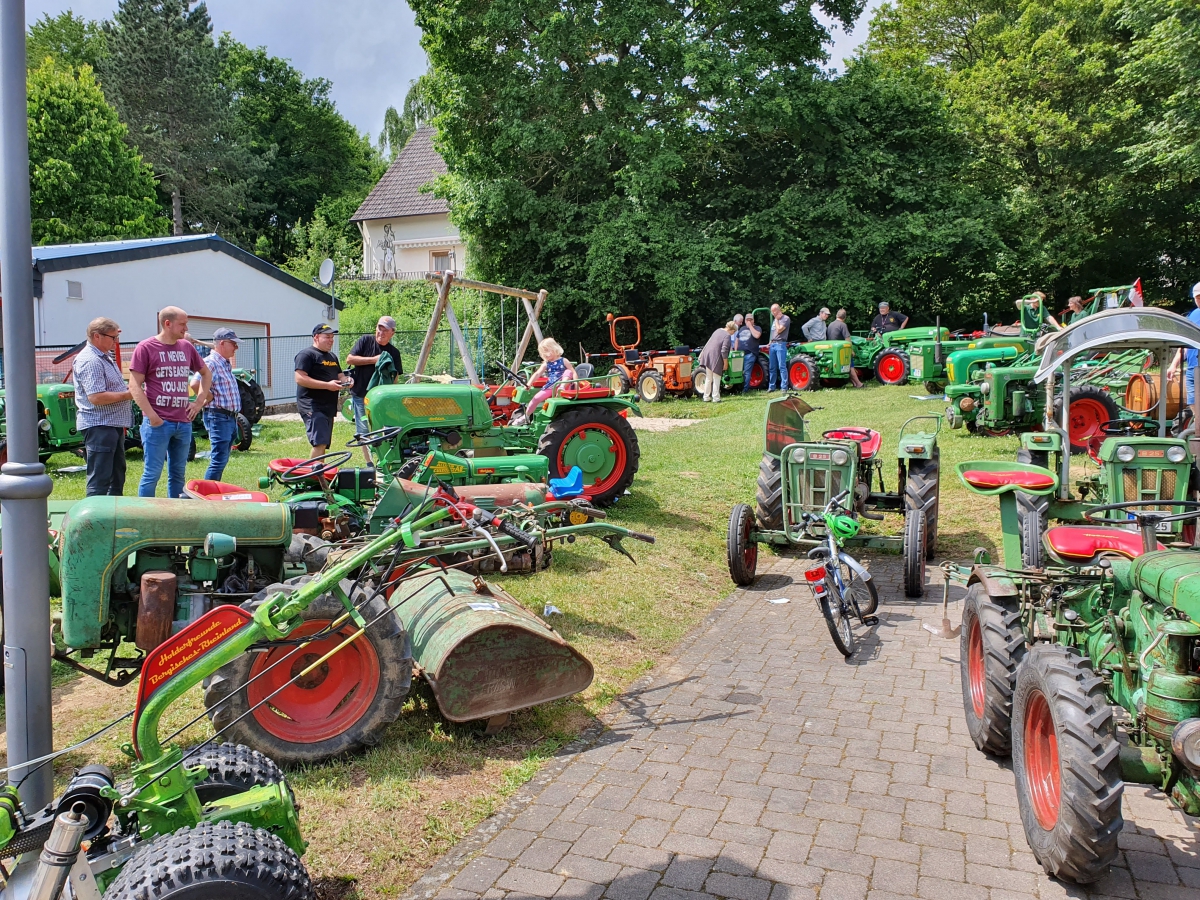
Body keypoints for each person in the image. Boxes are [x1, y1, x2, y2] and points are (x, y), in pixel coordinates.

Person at [129, 306, 212, 498]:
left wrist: (198, 402)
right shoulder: (146, 347)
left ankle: (174, 516)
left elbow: (206, 373)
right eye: (182, 324)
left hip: (183, 423)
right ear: (167, 323)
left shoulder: (186, 347)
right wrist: (152, 416)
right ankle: (146, 516)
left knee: (178, 475)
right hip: (158, 424)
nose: (186, 328)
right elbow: (134, 386)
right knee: (152, 474)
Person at [73, 317, 133, 496]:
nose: (115, 342)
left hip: (110, 424)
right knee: (100, 477)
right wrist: (129, 394)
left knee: (116, 475)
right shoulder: (91, 360)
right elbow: (96, 397)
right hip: (100, 425)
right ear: (96, 336)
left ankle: (112, 515)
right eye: (112, 337)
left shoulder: (103, 356)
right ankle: (95, 520)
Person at [346, 316, 403, 463]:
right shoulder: (365, 341)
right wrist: (373, 360)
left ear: (392, 333)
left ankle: (383, 461)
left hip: (382, 401)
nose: (381, 333)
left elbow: (395, 377)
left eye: (385, 330)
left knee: (383, 430)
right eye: (379, 328)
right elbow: (350, 359)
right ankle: (369, 464)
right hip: (361, 396)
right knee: (363, 431)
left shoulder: (394, 352)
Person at [294, 323, 351, 457]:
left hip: (328, 407)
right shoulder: (306, 355)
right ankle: (315, 476)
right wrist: (327, 385)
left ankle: (318, 474)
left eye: (332, 337)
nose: (331, 340)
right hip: (312, 406)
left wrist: (347, 381)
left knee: (323, 444)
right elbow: (300, 378)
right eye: (327, 337)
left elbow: (340, 375)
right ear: (316, 337)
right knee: (319, 443)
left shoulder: (332, 356)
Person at [201, 328, 243, 482]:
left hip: (228, 417)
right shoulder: (210, 363)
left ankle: (212, 491)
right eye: (233, 344)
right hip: (218, 416)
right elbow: (194, 383)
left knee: (222, 459)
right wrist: (209, 396)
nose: (236, 347)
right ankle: (207, 494)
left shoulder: (224, 363)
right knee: (218, 460)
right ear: (222, 343)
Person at [1166, 282, 1200, 420]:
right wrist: (1173, 365)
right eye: (1197, 298)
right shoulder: (1194, 315)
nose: (1199, 301)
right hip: (1192, 369)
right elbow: (1185, 344)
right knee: (1192, 402)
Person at [522, 337, 576, 421]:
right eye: (543, 353)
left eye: (547, 351)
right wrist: (529, 384)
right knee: (536, 398)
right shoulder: (546, 363)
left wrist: (576, 383)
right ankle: (526, 416)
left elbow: (573, 372)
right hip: (551, 385)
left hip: (564, 385)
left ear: (554, 348)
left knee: (568, 371)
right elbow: (537, 373)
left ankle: (561, 388)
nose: (545, 354)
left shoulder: (564, 360)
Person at [699, 322, 736, 402]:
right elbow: (724, 350)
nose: (733, 334)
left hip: (708, 355)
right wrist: (725, 363)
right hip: (716, 356)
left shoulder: (718, 330)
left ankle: (706, 397)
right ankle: (716, 398)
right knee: (717, 377)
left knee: (709, 377)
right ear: (731, 330)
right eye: (734, 332)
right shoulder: (727, 335)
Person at [826, 309, 863, 388]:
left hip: (832, 348)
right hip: (841, 349)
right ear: (845, 317)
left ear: (836, 315)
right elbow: (847, 339)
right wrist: (851, 350)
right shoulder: (842, 325)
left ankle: (854, 383)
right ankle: (859, 384)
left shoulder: (830, 324)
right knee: (850, 365)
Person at [734, 313, 762, 394]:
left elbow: (757, 336)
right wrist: (736, 351)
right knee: (738, 371)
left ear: (753, 320)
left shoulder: (757, 328)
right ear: (745, 321)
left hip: (750, 354)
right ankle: (737, 388)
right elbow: (737, 340)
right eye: (747, 320)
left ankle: (745, 390)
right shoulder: (742, 328)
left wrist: (750, 326)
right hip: (739, 354)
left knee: (746, 372)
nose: (749, 321)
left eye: (751, 319)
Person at [767, 304, 791, 392]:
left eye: (773, 311)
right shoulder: (775, 320)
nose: (772, 313)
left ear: (777, 310)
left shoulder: (785, 319)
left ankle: (784, 387)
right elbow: (773, 332)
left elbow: (779, 330)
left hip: (780, 344)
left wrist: (776, 320)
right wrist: (770, 342)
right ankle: (771, 386)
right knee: (772, 367)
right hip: (773, 345)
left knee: (782, 366)